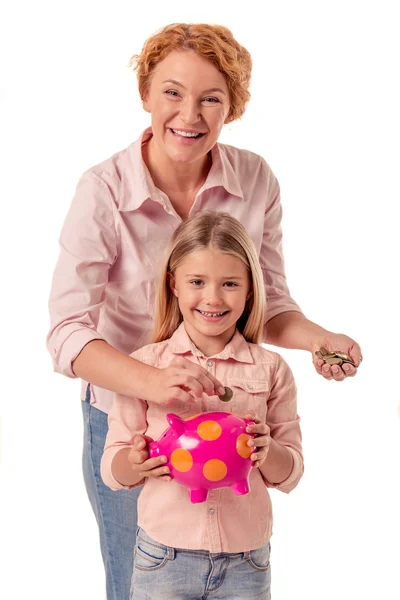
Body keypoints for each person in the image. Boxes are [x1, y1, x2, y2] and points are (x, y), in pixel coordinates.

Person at [46, 22, 361, 600]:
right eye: (171, 92)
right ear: (145, 95)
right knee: (136, 579)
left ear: (232, 108)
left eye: (210, 98)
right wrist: (153, 382)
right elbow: (66, 333)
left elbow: (267, 305)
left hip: (232, 404)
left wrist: (320, 339)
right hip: (132, 417)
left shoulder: (255, 178)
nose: (188, 114)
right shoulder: (104, 190)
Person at [101, 211, 304, 600]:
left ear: (249, 290)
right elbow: (113, 471)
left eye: (229, 283)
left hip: (247, 561)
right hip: (163, 556)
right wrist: (136, 462)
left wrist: (268, 450)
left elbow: (291, 472)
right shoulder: (143, 366)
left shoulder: (272, 369)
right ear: (173, 284)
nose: (213, 298)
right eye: (197, 282)